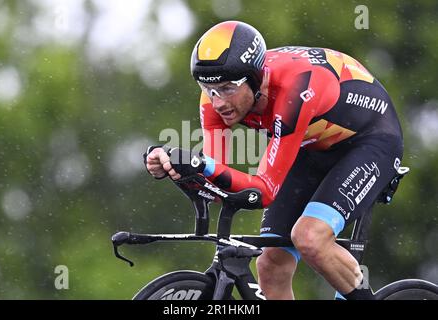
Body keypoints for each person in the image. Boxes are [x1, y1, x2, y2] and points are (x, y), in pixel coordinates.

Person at [144, 20, 404, 300]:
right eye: (209, 89)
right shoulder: (214, 97)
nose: (218, 102)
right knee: (270, 264)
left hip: (370, 141)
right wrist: (176, 164)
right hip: (310, 144)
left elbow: (263, 192)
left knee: (310, 238)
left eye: (228, 88)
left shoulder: (295, 87)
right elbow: (215, 182)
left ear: (256, 79)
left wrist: (202, 164)